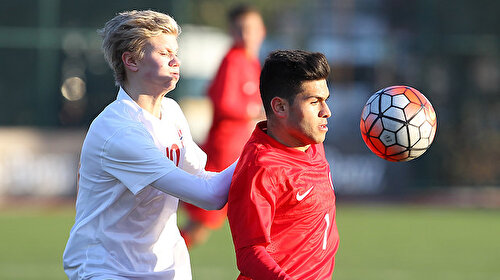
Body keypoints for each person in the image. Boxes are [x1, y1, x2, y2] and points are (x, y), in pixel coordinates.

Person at [62, 10, 237, 280]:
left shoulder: (172, 110)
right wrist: (266, 144)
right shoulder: (119, 129)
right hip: (107, 269)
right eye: (164, 53)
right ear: (131, 61)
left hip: (167, 267)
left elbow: (201, 177)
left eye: (175, 52)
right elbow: (209, 196)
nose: (176, 61)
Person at [227, 50, 339, 280]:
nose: (326, 112)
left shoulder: (311, 142)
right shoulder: (261, 167)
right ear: (279, 107)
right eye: (314, 101)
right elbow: (249, 252)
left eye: (325, 100)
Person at [181, 4, 266, 247]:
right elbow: (223, 103)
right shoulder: (233, 60)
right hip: (224, 156)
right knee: (199, 227)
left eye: (251, 28)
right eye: (241, 29)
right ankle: (144, 262)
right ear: (232, 31)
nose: (246, 35)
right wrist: (257, 112)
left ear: (262, 30)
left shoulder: (251, 63)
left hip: (241, 154)